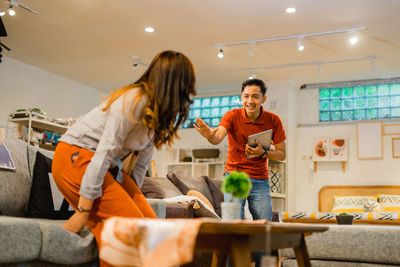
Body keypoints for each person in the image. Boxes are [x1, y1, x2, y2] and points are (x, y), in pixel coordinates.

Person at [52, 50, 196, 267]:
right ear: (174, 84)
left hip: (104, 165)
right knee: (131, 230)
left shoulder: (157, 115)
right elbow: (104, 153)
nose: (188, 93)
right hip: (75, 157)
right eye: (186, 86)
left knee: (153, 229)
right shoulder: (133, 100)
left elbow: (139, 166)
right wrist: (83, 210)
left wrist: (129, 200)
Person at [194, 78, 286, 220]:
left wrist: (263, 153)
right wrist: (209, 136)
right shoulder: (232, 116)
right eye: (246, 96)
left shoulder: (273, 120)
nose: (250, 101)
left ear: (263, 99)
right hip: (235, 176)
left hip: (260, 179)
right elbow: (217, 138)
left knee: (265, 224)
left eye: (255, 97)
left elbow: (281, 154)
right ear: (241, 97)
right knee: (232, 221)